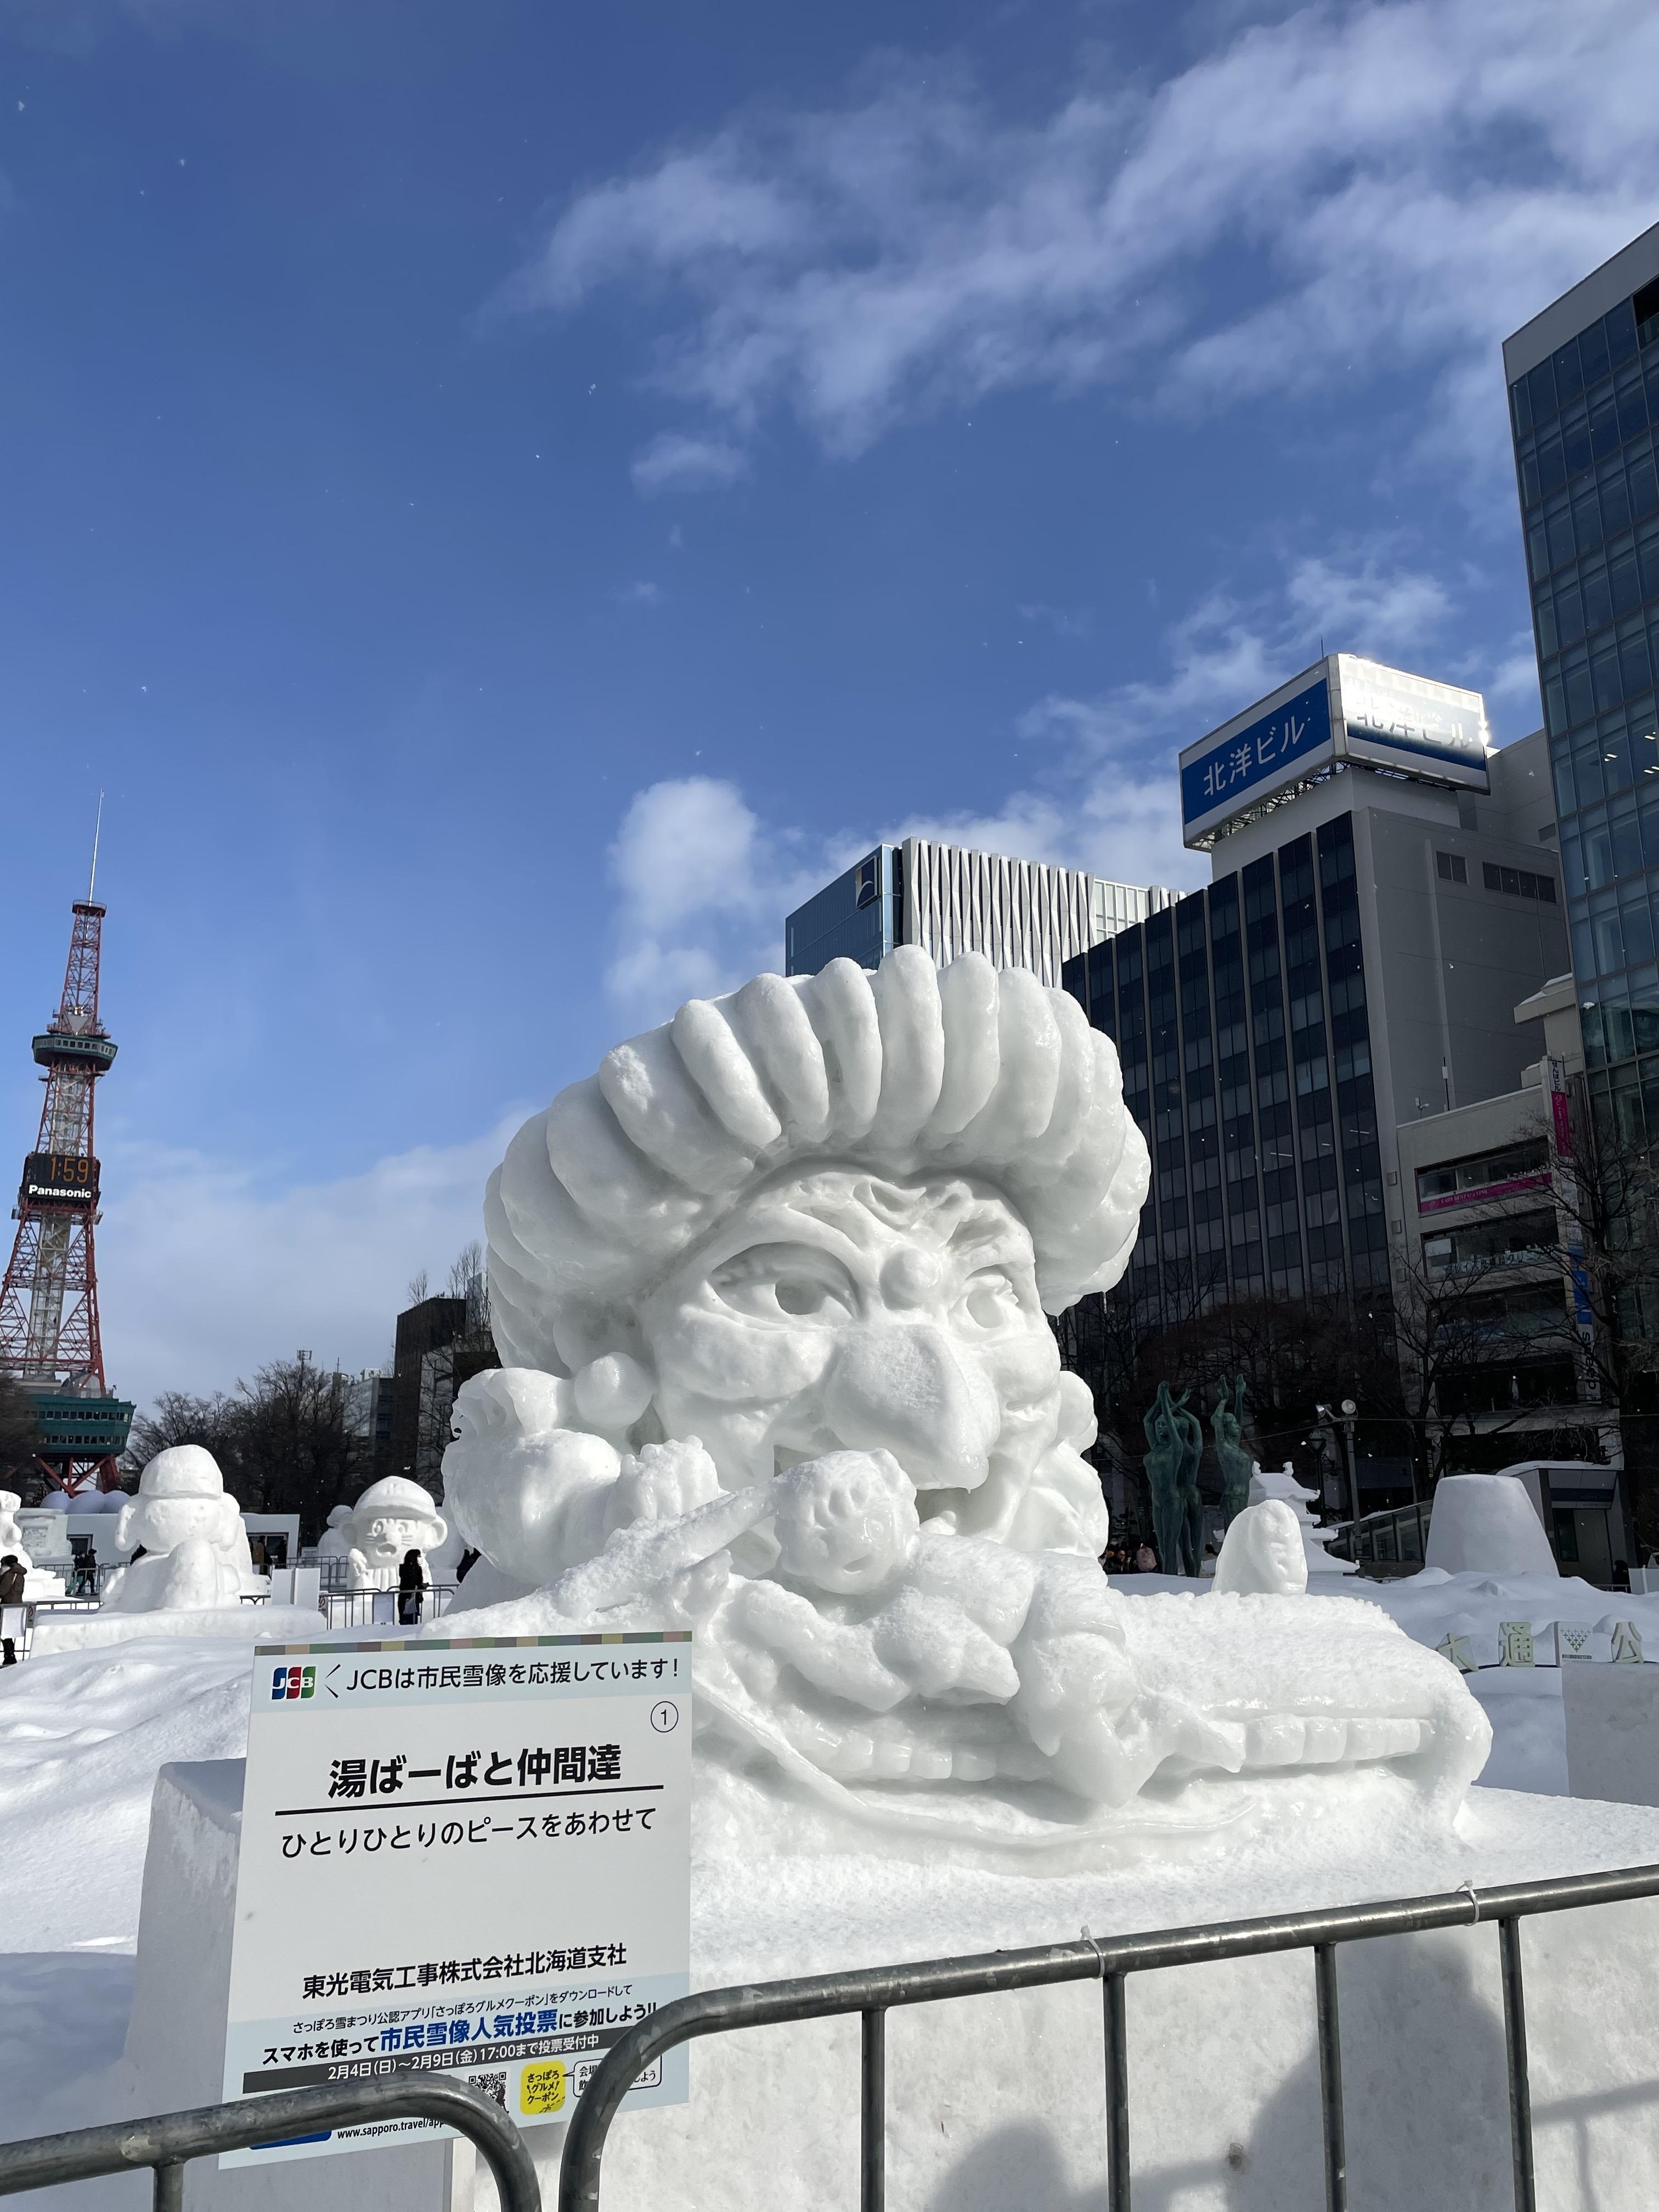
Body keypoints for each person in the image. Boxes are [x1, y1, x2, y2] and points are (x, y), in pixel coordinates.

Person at [0, 1553, 26, 1665]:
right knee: (7, 1632)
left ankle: (9, 1656)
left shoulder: (10, 1574)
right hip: (15, 1605)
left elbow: (3, 1591)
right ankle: (10, 1656)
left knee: (4, 1632)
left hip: (7, 1605)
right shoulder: (19, 1573)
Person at [397, 1546, 426, 1625]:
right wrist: (422, 1587)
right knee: (409, 1620)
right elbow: (411, 1584)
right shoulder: (408, 1569)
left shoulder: (415, 1569)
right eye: (418, 1556)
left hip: (412, 1597)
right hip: (408, 1598)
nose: (420, 1558)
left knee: (412, 1619)